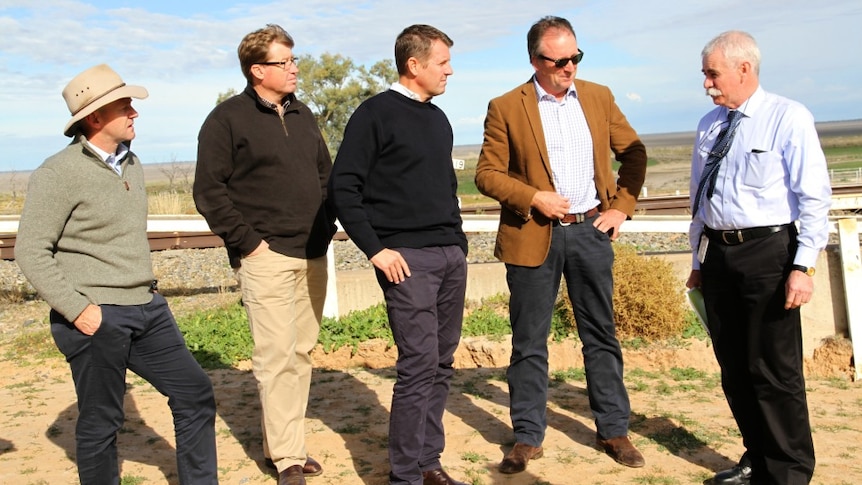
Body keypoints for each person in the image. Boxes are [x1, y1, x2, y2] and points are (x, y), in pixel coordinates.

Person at [15, 64, 218, 484]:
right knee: (103, 420)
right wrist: (78, 310)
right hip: (96, 315)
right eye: (125, 105)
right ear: (95, 118)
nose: (134, 112)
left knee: (194, 394)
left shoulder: (133, 163)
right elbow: (31, 251)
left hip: (147, 307)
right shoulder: (58, 173)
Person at [475, 15, 647, 473]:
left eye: (575, 57)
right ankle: (527, 437)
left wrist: (621, 208)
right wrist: (533, 197)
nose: (569, 67)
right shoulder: (506, 106)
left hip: (592, 232)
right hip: (533, 237)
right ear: (535, 60)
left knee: (601, 335)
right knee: (530, 341)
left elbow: (634, 153)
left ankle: (614, 430)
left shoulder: (598, 96)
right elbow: (487, 174)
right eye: (559, 61)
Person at [686, 30, 831, 485]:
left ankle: (788, 472)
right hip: (718, 256)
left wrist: (802, 266)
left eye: (713, 73)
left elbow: (814, 197)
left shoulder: (787, 117)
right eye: (705, 74)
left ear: (743, 68)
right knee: (735, 367)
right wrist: (696, 261)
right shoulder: (709, 124)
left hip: (769, 254)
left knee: (774, 369)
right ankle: (757, 459)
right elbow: (699, 198)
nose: (707, 83)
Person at [193, 24, 335, 485]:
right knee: (275, 357)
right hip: (267, 257)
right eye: (284, 62)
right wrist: (249, 244)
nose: (294, 68)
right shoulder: (226, 120)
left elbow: (324, 175)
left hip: (312, 254)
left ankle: (290, 444)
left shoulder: (304, 115)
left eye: (294, 60)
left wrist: (328, 225)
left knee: (301, 353)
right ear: (258, 70)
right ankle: (287, 457)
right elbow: (209, 192)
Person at [329, 24, 469, 485]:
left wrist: (458, 245)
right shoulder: (374, 115)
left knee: (443, 363)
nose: (450, 70)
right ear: (415, 65)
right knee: (418, 365)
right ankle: (405, 474)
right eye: (442, 62)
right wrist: (376, 250)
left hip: (449, 256)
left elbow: (444, 190)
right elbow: (343, 190)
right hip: (406, 260)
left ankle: (429, 462)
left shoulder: (439, 118)